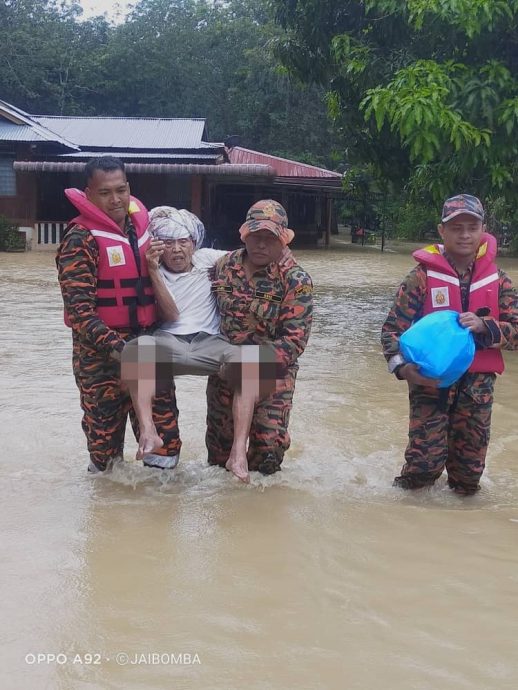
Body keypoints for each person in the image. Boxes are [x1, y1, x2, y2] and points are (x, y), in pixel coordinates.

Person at [381, 194, 518, 495]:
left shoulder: (500, 280)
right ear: (442, 231)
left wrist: (487, 326)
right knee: (421, 469)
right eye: (456, 227)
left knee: (468, 477)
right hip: (430, 383)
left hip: (478, 386)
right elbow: (392, 330)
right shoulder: (420, 277)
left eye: (472, 226)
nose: (465, 234)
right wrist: (403, 370)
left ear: (483, 229)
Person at [121, 205, 268, 483]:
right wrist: (153, 270)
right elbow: (172, 315)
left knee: (250, 363)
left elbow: (252, 258)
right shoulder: (151, 269)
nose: (177, 250)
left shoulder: (208, 259)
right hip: (169, 342)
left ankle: (238, 453)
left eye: (183, 242)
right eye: (168, 243)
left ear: (194, 243)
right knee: (136, 350)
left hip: (209, 342)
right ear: (157, 246)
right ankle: (149, 432)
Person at [56, 156, 180, 472]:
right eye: (105, 192)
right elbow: (81, 314)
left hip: (149, 346)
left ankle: (161, 515)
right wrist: (124, 352)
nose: (116, 200)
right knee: (105, 457)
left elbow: (192, 258)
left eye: (121, 190)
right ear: (88, 194)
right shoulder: (79, 239)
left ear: (129, 188)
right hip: (100, 359)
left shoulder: (145, 228)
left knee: (165, 447)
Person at [206, 199, 313, 476]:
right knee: (219, 453)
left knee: (267, 452)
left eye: (269, 238)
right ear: (244, 235)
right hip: (224, 370)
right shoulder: (223, 265)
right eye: (255, 237)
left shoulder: (295, 279)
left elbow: (295, 341)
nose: (261, 244)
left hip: (273, 373)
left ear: (284, 240)